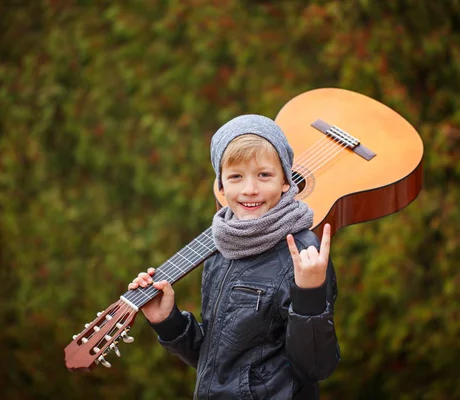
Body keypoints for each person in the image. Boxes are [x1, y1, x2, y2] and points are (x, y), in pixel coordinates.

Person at [129, 114, 340, 399]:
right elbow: (222, 363)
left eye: (264, 175)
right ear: (221, 187)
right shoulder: (221, 248)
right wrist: (168, 321)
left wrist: (310, 294)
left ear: (286, 182)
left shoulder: (303, 253)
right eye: (236, 177)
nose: (250, 189)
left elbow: (315, 367)